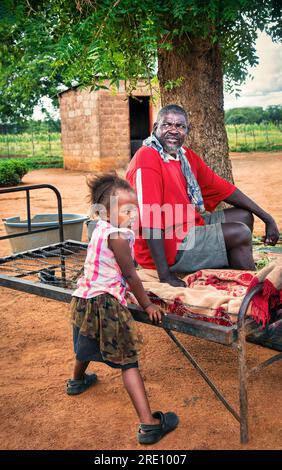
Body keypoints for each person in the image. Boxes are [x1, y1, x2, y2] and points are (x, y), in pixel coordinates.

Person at [66, 173, 179, 445]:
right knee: (128, 362)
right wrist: (148, 303)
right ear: (105, 212)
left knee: (85, 340)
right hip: (106, 305)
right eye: (126, 210)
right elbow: (130, 275)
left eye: (134, 209)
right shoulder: (118, 235)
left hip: (84, 299)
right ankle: (149, 424)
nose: (133, 215)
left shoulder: (100, 229)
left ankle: (77, 382)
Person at [126, 104, 280, 287]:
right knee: (240, 233)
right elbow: (149, 220)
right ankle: (253, 291)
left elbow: (225, 189)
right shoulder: (147, 158)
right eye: (167, 125)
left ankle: (233, 272)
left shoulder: (185, 157)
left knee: (244, 216)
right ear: (155, 128)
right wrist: (165, 276)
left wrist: (267, 218)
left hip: (187, 227)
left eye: (180, 126)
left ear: (187, 131)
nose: (173, 130)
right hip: (168, 246)